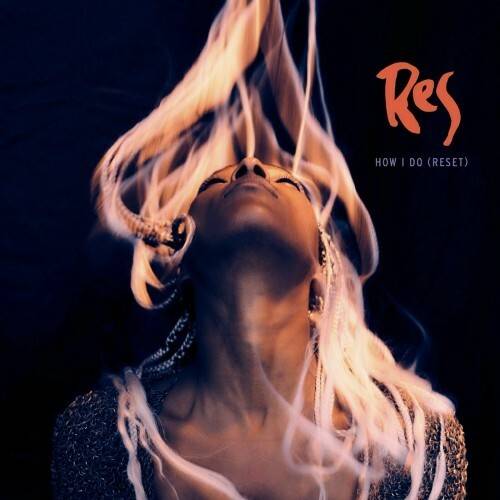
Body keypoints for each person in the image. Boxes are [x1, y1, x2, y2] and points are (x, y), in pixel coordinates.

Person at [51, 1, 466, 499]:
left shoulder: (417, 447)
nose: (251, 166)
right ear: (181, 259)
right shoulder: (102, 439)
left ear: (322, 266)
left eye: (288, 183)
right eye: (215, 182)